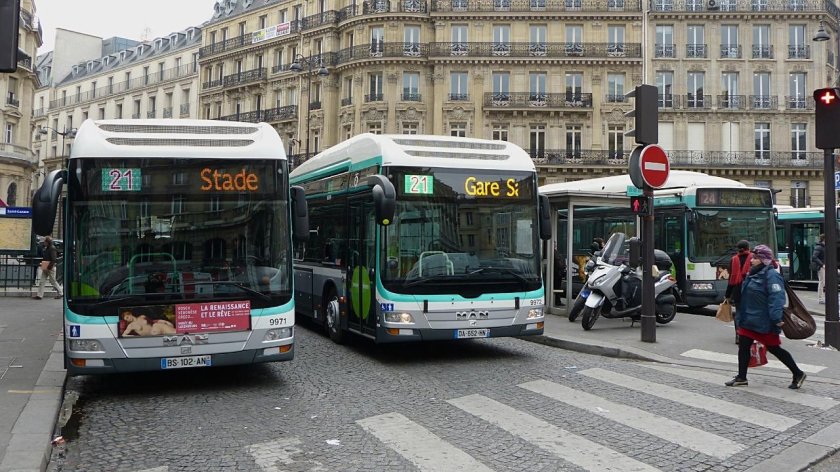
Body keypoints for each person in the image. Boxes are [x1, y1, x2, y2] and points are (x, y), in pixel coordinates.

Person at [725, 244, 806, 390]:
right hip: (749, 319)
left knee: (774, 348)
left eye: (755, 258)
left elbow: (776, 298)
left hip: (765, 320)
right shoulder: (753, 273)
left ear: (764, 260)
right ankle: (741, 377)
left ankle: (798, 373)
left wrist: (776, 319)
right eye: (753, 257)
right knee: (743, 346)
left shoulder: (772, 276)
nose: (751, 261)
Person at [725, 240, 753, 344]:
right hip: (750, 290)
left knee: (739, 313)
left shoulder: (734, 260)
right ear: (748, 247)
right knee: (750, 313)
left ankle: (738, 335)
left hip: (737, 290)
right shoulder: (753, 258)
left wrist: (727, 295)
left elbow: (731, 279)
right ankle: (749, 334)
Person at [812, 234, 826, 304]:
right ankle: (820, 299)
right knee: (822, 282)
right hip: (821, 267)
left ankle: (822, 298)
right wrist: (822, 264)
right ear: (824, 239)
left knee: (824, 282)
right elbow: (814, 257)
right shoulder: (819, 247)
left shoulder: (823, 247)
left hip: (824, 266)